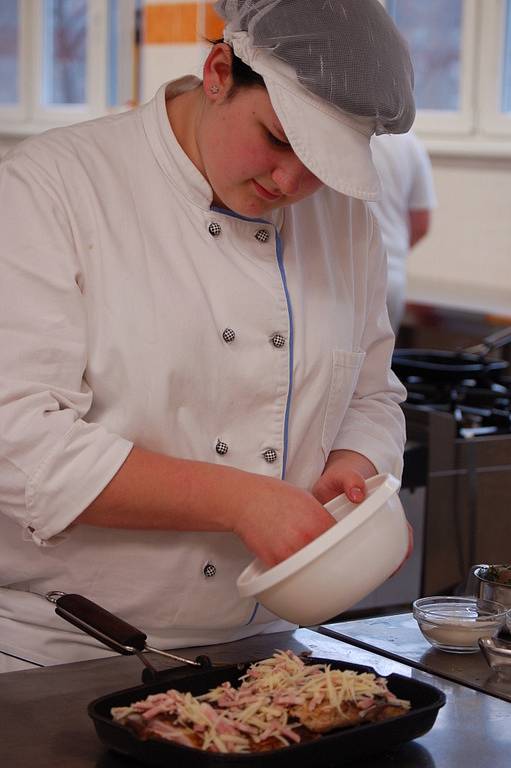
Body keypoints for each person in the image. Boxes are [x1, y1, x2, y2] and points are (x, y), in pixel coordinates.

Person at [0, 0, 414, 671]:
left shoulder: (343, 222)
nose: (291, 183)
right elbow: (16, 439)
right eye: (280, 141)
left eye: (321, 164)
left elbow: (371, 394)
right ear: (219, 70)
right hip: (62, 653)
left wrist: (355, 470)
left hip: (265, 651)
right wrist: (239, 500)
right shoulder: (54, 187)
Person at [369, 131, 437, 333]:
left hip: (340, 276)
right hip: (391, 276)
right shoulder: (410, 143)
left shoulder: (342, 132)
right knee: (379, 361)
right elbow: (421, 224)